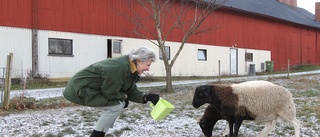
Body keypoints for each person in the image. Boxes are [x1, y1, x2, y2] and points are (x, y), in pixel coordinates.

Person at [63, 46, 160, 137]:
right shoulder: (120, 67)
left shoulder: (130, 68)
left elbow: (129, 91)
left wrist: (146, 97)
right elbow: (110, 92)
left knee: (118, 105)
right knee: (116, 106)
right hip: (80, 89)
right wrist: (124, 97)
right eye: (148, 65)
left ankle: (100, 133)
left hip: (89, 89)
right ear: (139, 61)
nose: (148, 69)